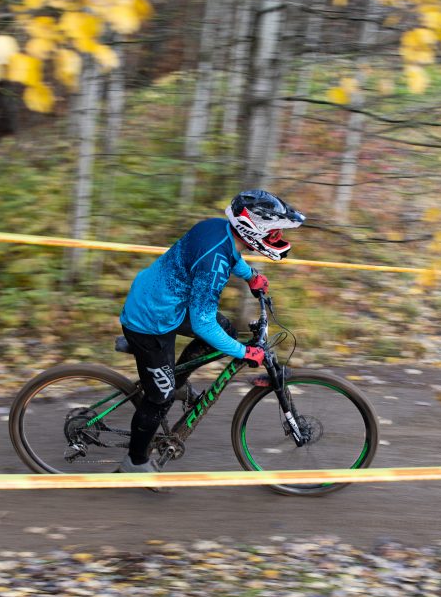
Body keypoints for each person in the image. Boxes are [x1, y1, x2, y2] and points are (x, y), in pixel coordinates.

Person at [117, 189, 305, 474]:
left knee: (226, 329)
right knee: (160, 397)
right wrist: (244, 352)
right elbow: (204, 322)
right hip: (150, 321)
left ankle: (176, 378)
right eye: (274, 233)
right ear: (254, 229)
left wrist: (250, 275)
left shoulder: (217, 227)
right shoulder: (214, 266)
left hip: (164, 302)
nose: (277, 238)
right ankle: (135, 461)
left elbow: (230, 254)